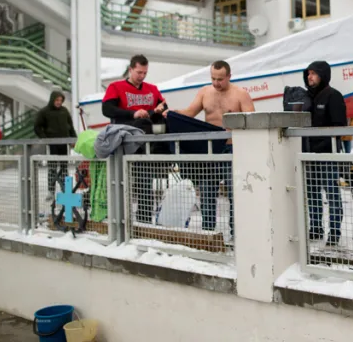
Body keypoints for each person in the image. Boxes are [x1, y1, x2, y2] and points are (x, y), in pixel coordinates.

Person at [172, 60, 254, 235]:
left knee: (235, 193)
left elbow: (252, 122)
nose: (216, 83)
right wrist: (171, 112)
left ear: (229, 77)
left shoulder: (241, 94)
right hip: (210, 150)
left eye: (220, 79)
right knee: (208, 192)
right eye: (213, 78)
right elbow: (189, 113)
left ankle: (237, 232)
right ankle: (208, 232)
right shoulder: (205, 92)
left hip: (232, 149)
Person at [102, 55, 167, 224]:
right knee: (121, 183)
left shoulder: (152, 89)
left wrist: (161, 108)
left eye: (145, 73)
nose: (142, 76)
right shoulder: (116, 86)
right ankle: (119, 220)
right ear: (130, 69)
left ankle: (144, 221)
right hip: (125, 140)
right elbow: (107, 109)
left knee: (145, 181)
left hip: (146, 142)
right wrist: (133, 113)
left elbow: (163, 105)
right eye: (139, 72)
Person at [303, 61, 347, 247]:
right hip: (307, 154)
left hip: (327, 154)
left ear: (323, 75)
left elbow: (340, 126)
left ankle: (334, 231)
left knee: (331, 193)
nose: (309, 77)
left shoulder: (333, 96)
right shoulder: (305, 97)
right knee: (312, 193)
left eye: (313, 74)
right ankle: (315, 227)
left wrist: (326, 144)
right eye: (308, 74)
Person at [34, 91, 78, 204]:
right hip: (52, 144)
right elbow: (37, 127)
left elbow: (70, 127)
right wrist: (46, 139)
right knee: (52, 167)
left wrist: (74, 140)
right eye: (56, 100)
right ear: (52, 100)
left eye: (60, 100)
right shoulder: (44, 112)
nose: (59, 102)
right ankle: (51, 191)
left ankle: (66, 191)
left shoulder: (64, 111)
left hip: (64, 143)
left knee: (64, 167)